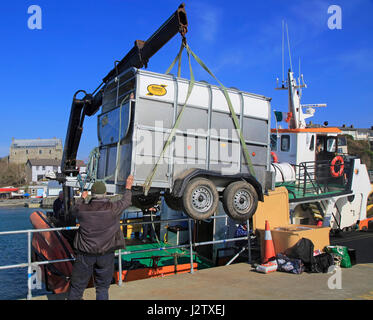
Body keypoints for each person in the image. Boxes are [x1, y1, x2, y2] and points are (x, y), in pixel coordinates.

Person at [67, 175, 134, 300]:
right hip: (106, 254)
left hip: (85, 254)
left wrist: (82, 198)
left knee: (77, 288)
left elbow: (73, 210)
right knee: (102, 288)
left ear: (92, 194)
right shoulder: (113, 208)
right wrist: (128, 187)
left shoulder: (82, 209)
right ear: (105, 193)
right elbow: (126, 201)